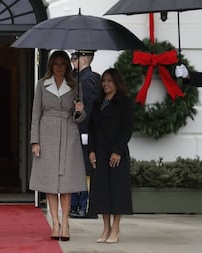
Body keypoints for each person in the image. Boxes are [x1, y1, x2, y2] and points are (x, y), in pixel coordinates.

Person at [29, 50, 87, 241]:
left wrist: (79, 111)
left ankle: (66, 223)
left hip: (69, 133)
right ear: (51, 65)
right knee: (50, 183)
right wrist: (35, 141)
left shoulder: (76, 85)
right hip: (47, 134)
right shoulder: (41, 85)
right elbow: (35, 114)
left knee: (67, 183)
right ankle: (55, 223)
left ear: (68, 66)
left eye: (63, 63)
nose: (59, 67)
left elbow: (80, 118)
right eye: (56, 63)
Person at [87, 68, 134, 244]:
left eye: (110, 81)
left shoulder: (124, 102)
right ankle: (106, 227)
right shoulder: (98, 103)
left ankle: (116, 228)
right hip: (100, 151)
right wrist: (91, 150)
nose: (106, 84)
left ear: (116, 83)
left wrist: (117, 151)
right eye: (104, 81)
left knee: (117, 190)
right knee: (101, 191)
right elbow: (91, 128)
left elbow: (127, 128)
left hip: (117, 153)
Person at [69, 50, 101, 219]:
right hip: (82, 130)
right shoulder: (83, 77)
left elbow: (88, 110)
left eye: (75, 57)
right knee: (78, 168)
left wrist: (84, 131)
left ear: (84, 59)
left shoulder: (86, 79)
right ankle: (75, 204)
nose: (72, 60)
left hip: (83, 131)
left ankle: (83, 206)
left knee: (82, 169)